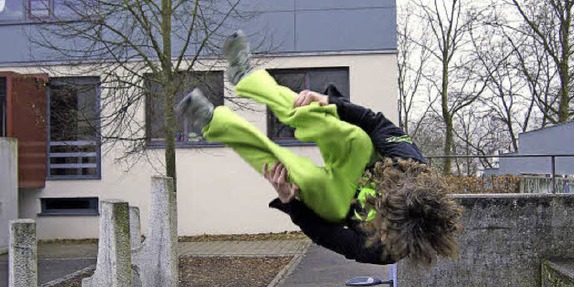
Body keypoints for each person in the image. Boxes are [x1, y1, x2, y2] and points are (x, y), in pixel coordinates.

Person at [177, 31, 461, 265]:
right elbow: (375, 123)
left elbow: (327, 234)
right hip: (356, 159)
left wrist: (291, 202)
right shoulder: (411, 164)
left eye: (381, 205)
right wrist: (328, 102)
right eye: (388, 189)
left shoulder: (384, 249)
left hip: (338, 201)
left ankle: (213, 120)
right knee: (354, 136)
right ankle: (248, 78)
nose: (377, 195)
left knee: (295, 175)